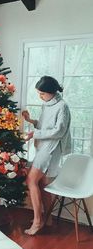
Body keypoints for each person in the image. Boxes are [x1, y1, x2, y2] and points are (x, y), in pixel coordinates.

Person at [22, 75, 71, 235]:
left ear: (51, 92)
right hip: (43, 146)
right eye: (39, 93)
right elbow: (44, 126)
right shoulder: (47, 104)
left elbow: (58, 131)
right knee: (42, 183)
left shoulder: (62, 106)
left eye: (42, 93)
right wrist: (30, 120)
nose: (40, 96)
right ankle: (47, 219)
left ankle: (37, 222)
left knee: (31, 180)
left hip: (51, 148)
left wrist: (34, 134)